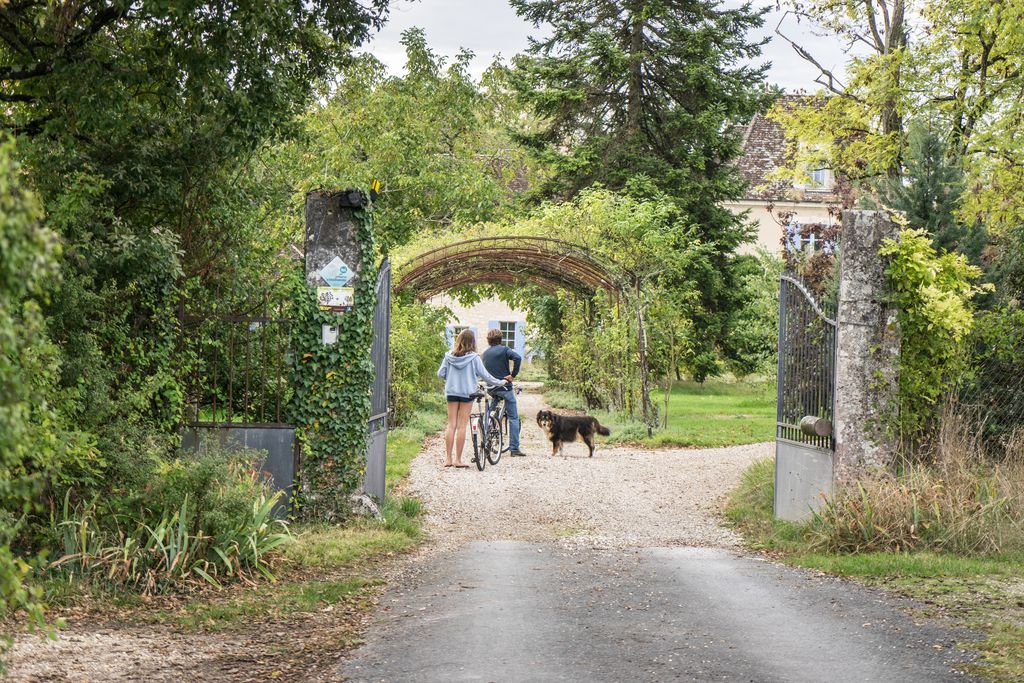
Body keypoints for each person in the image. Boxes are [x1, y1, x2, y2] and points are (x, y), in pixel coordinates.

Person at [437, 329, 507, 468]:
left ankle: (448, 460)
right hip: (467, 394)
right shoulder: (474, 358)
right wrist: (501, 382)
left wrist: (451, 378)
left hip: (451, 393)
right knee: (462, 426)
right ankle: (458, 460)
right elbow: (486, 376)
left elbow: (440, 374)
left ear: (458, 340)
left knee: (451, 425)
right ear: (472, 342)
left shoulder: (448, 356)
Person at [482, 328, 526, 456]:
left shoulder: (485, 353)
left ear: (489, 340)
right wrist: (513, 375)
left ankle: (488, 431)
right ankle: (514, 449)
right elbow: (517, 358)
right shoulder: (505, 350)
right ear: (500, 339)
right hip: (505, 387)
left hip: (491, 388)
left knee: (490, 411)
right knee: (513, 417)